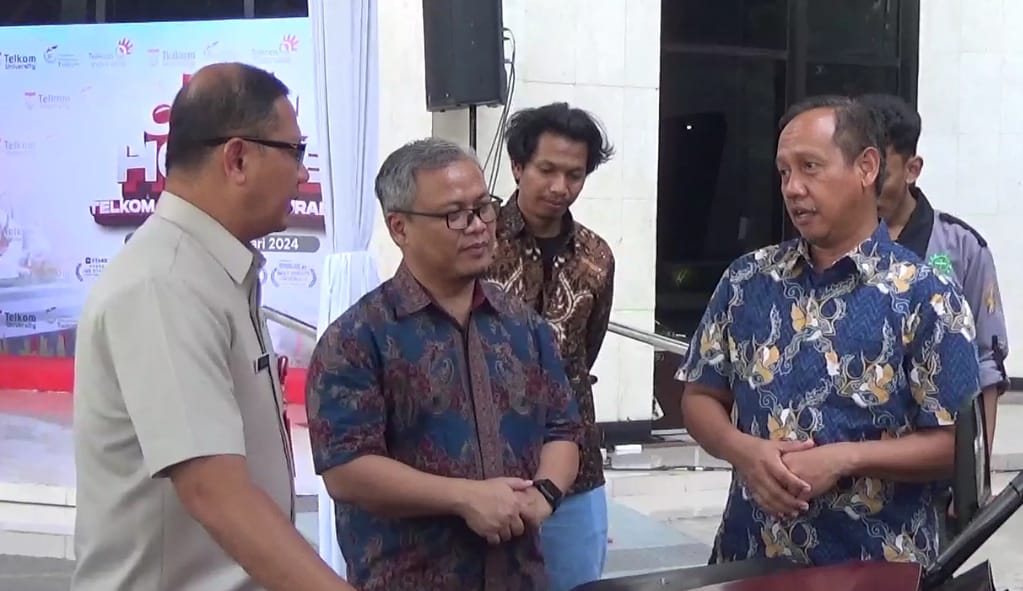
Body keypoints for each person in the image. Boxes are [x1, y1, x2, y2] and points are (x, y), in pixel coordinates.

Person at [71, 63, 351, 591]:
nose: (302, 175)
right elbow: (215, 493)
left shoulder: (213, 269)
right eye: (295, 152)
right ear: (238, 158)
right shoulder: (165, 283)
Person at [677, 95, 981, 568]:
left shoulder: (927, 294)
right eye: (784, 173)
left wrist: (845, 459)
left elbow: (955, 445)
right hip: (750, 557)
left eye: (810, 167)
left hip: (876, 567)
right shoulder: (747, 280)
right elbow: (699, 396)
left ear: (866, 167)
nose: (793, 188)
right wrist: (745, 452)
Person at [305, 137, 584, 590]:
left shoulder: (524, 326)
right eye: (455, 214)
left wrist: (544, 494)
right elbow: (347, 468)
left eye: (484, 208)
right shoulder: (357, 338)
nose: (478, 227)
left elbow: (563, 428)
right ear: (400, 228)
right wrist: (464, 498)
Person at [485, 102, 615, 591]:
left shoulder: (597, 256)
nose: (560, 186)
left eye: (574, 175)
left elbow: (586, 348)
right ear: (518, 166)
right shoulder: (476, 242)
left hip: (576, 472)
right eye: (547, 170)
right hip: (483, 467)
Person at [859, 93, 1009, 448]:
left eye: (883, 175)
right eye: (861, 173)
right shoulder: (832, 246)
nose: (869, 187)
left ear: (912, 169)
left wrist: (978, 468)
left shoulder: (963, 247)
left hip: (932, 452)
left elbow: (987, 361)